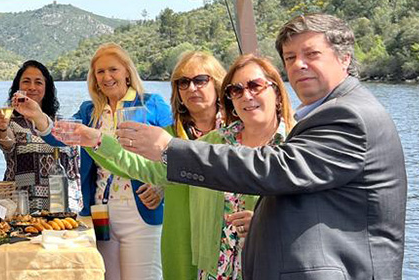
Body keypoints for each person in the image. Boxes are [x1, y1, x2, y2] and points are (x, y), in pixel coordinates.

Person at [122, 14, 407, 279]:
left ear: (344, 59)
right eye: (290, 57)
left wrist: (171, 148)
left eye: (312, 54)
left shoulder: (347, 115)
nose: (299, 65)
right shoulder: (333, 111)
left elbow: (274, 167)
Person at [57, 53, 296, 280]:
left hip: (273, 266)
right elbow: (146, 168)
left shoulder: (298, 144)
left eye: (255, 86)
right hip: (214, 267)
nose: (246, 95)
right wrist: (97, 140)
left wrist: (266, 223)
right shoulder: (214, 142)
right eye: (237, 90)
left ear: (276, 91)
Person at [15, 43, 169, 280]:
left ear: (127, 71)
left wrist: (162, 187)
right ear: (94, 79)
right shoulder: (90, 111)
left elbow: (174, 153)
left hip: (141, 209)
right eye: (100, 72)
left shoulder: (152, 104)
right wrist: (37, 115)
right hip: (101, 211)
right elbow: (61, 136)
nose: (107, 77)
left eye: (113, 70)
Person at [0, 60, 81, 212]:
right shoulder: (10, 122)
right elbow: (7, 143)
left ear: (46, 88)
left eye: (38, 82)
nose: (32, 87)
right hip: (24, 207)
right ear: (18, 87)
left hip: (64, 205)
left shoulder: (60, 123)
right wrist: (2, 128)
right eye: (26, 81)